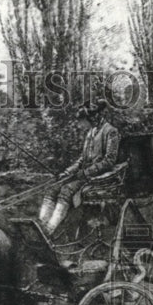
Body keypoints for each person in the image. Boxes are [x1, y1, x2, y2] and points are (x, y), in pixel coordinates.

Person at [38, 99, 120, 235]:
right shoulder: (91, 132)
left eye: (83, 121)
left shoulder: (111, 132)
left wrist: (86, 172)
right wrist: (67, 172)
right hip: (83, 174)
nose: (81, 125)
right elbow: (82, 159)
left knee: (66, 190)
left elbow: (109, 161)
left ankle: (49, 230)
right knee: (52, 189)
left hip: (97, 176)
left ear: (93, 117)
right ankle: (41, 225)